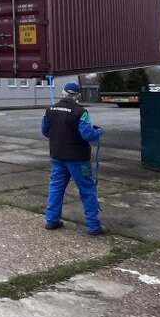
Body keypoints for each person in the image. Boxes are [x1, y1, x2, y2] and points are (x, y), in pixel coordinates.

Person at [40, 82, 105, 234]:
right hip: (78, 159)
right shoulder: (81, 112)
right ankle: (93, 226)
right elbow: (88, 135)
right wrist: (99, 132)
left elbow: (45, 131)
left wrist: (60, 137)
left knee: (56, 188)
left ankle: (51, 220)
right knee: (87, 190)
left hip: (57, 156)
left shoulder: (49, 110)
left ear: (63, 93)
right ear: (78, 95)